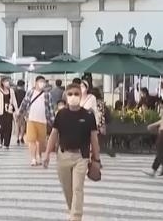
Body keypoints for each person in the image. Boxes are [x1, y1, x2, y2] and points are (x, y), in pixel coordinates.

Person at [43, 83, 100, 221]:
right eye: (70, 94)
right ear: (66, 96)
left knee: (77, 188)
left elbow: (94, 138)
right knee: (67, 189)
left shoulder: (88, 115)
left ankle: (76, 217)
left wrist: (96, 159)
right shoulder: (61, 114)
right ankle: (72, 210)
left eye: (76, 94)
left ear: (81, 95)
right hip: (63, 155)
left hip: (81, 156)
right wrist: (47, 154)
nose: (73, 96)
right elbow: (54, 135)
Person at [20, 75, 54, 166]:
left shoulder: (47, 94)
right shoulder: (30, 92)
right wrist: (19, 113)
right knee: (31, 140)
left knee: (41, 141)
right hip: (31, 119)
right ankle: (33, 158)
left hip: (43, 120)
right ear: (35, 83)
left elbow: (50, 108)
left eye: (43, 82)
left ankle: (39, 156)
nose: (42, 84)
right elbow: (24, 103)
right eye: (40, 82)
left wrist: (53, 121)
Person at [0, 77, 18, 149]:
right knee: (3, 127)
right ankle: (1, 139)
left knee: (9, 127)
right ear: (2, 83)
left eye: (8, 81)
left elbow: (14, 101)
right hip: (2, 112)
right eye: (6, 81)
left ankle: (6, 144)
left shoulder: (11, 91)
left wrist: (17, 110)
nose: (7, 83)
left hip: (9, 111)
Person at [14, 80, 27, 145]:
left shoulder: (14, 92)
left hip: (15, 110)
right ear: (23, 85)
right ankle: (21, 137)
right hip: (23, 110)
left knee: (17, 124)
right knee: (22, 124)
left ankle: (17, 138)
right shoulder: (25, 93)